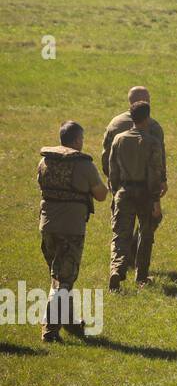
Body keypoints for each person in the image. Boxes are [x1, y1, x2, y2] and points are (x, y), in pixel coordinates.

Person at [37, 122, 108, 341]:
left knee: (59, 275)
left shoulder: (45, 160)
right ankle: (50, 328)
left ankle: (69, 321)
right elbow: (101, 194)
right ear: (77, 140)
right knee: (62, 280)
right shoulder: (83, 164)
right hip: (71, 228)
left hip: (47, 225)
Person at [101, 86, 164, 273]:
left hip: (123, 188)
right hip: (146, 189)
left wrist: (115, 187)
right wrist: (158, 190)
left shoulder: (116, 127)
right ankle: (141, 273)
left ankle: (117, 268)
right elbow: (158, 163)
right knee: (147, 231)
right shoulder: (153, 128)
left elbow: (108, 160)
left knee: (120, 230)